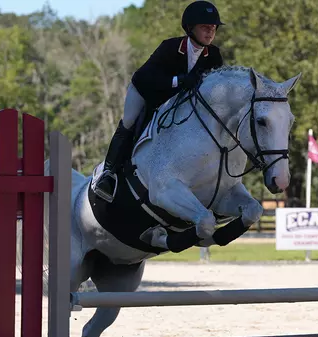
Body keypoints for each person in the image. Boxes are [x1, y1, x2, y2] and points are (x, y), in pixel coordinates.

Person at [91, 0, 225, 203]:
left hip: (178, 102)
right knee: (129, 121)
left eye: (213, 28)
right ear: (190, 28)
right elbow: (145, 78)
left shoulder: (214, 55)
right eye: (205, 27)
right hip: (146, 92)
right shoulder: (170, 48)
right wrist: (177, 80)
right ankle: (107, 174)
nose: (210, 32)